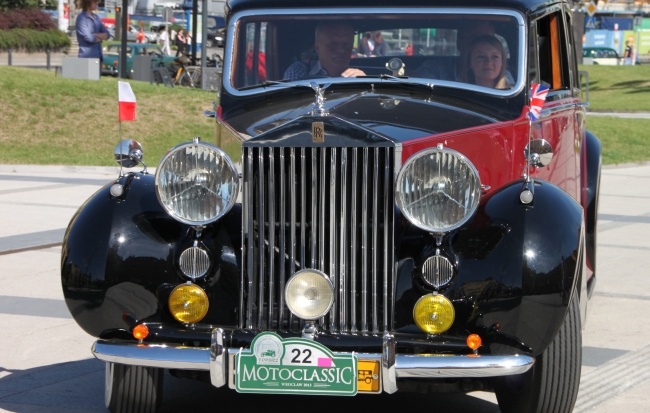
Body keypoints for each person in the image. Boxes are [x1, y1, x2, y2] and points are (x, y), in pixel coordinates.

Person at [284, 23, 366, 80]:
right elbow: (290, 103)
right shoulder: (299, 72)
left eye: (346, 45)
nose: (341, 50)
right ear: (317, 47)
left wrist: (364, 84)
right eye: (333, 45)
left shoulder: (358, 75)